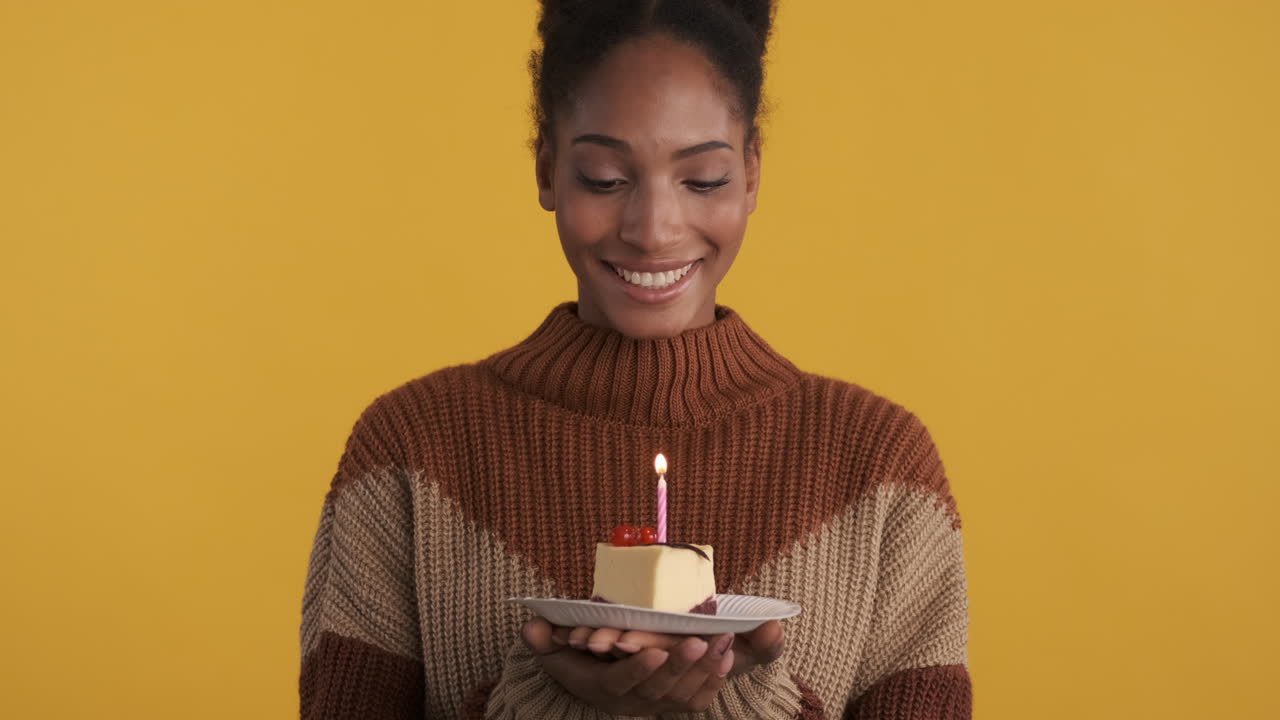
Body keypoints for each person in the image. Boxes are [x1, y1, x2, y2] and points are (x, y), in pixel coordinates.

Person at [299, 1, 972, 717]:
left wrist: (738, 700)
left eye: (703, 180)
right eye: (604, 178)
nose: (653, 230)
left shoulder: (882, 468)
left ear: (750, 174)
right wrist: (542, 700)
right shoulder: (409, 452)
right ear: (548, 170)